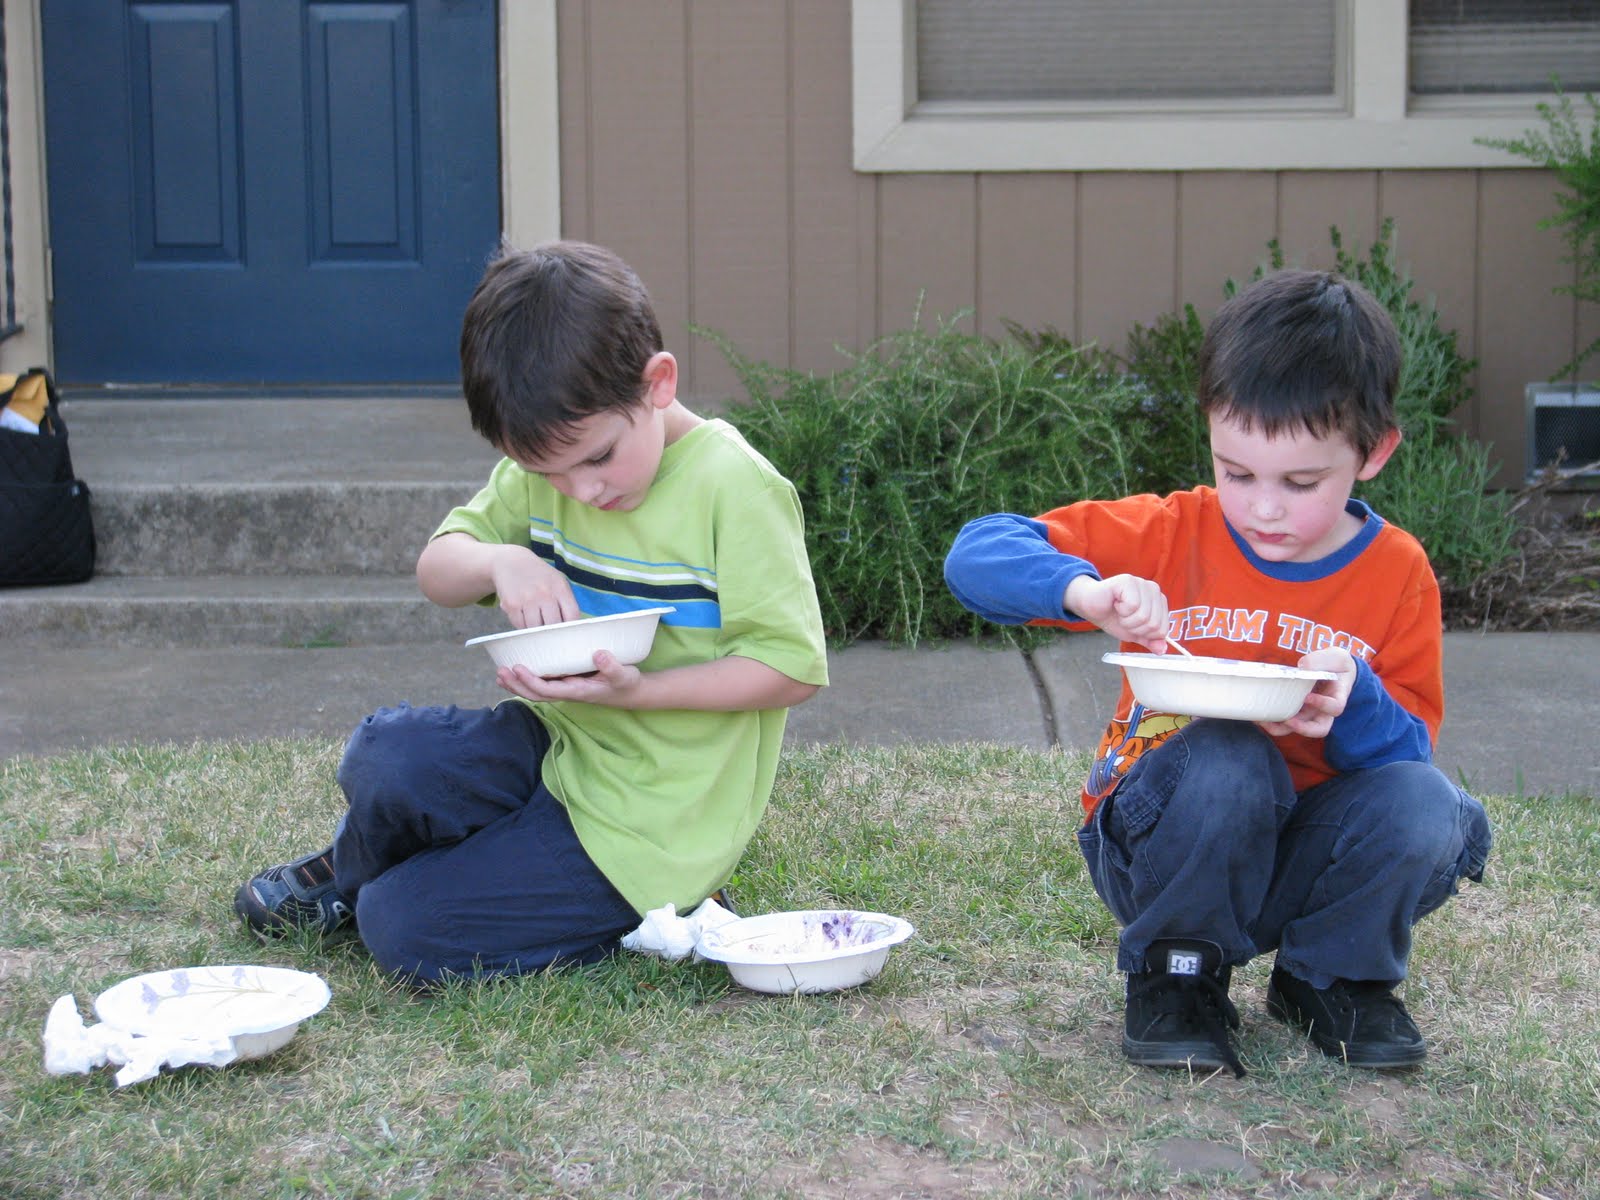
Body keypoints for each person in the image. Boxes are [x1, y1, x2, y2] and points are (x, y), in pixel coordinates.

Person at [234, 240, 829, 984]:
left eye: (597, 458)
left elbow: (789, 669)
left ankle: (651, 908)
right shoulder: (551, 464)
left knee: (404, 927)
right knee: (386, 754)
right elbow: (437, 571)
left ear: (657, 382)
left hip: (654, 818)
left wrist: (643, 692)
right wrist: (500, 559)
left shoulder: (735, 488)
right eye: (547, 471)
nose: (580, 491)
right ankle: (349, 880)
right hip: (556, 745)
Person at [943, 269, 1491, 1076]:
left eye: (1300, 483)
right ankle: (1178, 973)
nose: (1263, 508)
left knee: (1429, 803)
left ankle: (1331, 976)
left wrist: (1353, 701)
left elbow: (1404, 758)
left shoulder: (1397, 572)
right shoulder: (1173, 532)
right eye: (1237, 472)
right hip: (1165, 838)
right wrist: (1086, 590)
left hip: (1303, 851)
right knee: (1232, 754)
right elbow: (976, 554)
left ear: (1373, 454)